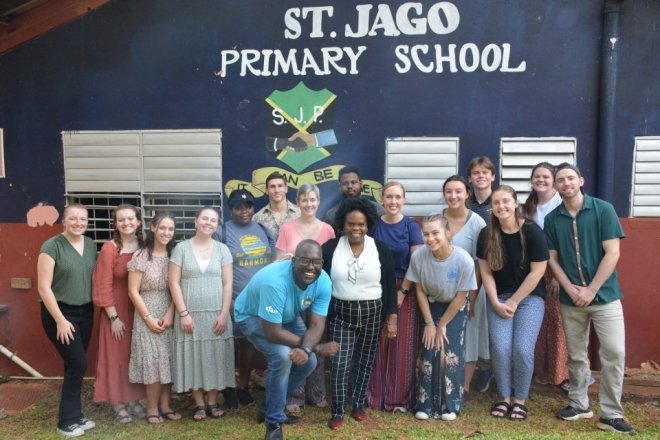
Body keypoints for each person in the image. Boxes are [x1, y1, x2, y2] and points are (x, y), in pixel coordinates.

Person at [545, 163, 636, 435]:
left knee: (614, 353)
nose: (566, 183)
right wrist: (571, 289)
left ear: (580, 180)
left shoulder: (603, 210)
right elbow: (552, 259)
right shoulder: (553, 219)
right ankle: (579, 404)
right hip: (571, 299)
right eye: (560, 180)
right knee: (575, 355)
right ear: (556, 186)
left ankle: (611, 413)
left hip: (605, 296)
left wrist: (591, 290)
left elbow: (613, 253)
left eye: (570, 178)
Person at [234, 240, 339, 440]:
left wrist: (308, 351)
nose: (310, 267)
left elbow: (317, 324)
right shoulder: (275, 281)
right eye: (305, 261)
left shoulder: (323, 281)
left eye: (316, 262)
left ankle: (267, 408)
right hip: (252, 315)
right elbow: (273, 332)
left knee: (310, 362)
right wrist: (315, 347)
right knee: (282, 357)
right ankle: (274, 422)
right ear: (293, 260)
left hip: (286, 316)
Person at [322, 197, 397, 430]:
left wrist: (392, 318)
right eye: (351, 224)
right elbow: (322, 283)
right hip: (341, 314)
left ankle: (358, 406)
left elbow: (390, 286)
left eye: (361, 224)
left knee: (365, 362)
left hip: (373, 312)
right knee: (340, 364)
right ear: (342, 225)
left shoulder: (380, 249)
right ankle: (337, 411)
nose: (356, 229)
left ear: (368, 225)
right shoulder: (331, 248)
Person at [477, 186, 549, 421]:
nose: (501, 207)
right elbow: (485, 272)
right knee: (500, 348)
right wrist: (495, 301)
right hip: (498, 297)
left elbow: (538, 272)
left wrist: (516, 300)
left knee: (522, 349)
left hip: (529, 299)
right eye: (496, 203)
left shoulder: (532, 232)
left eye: (506, 202)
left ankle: (520, 399)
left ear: (516, 203)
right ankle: (503, 397)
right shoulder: (487, 234)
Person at [407, 214, 476, 421]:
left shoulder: (463, 259)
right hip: (430, 305)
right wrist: (429, 323)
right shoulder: (419, 256)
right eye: (426, 234)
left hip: (455, 307)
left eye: (435, 233)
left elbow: (461, 296)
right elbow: (418, 291)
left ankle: (450, 405)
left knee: (450, 352)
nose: (431, 238)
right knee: (429, 350)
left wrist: (443, 324)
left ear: (447, 233)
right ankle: (425, 404)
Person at [169, 207, 235, 420]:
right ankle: (199, 404)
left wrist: (225, 313)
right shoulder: (181, 248)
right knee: (193, 356)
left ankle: (213, 401)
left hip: (217, 313)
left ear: (217, 225)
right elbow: (173, 282)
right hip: (190, 315)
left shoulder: (223, 249)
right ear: (195, 221)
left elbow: (227, 283)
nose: (208, 222)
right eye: (204, 218)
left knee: (215, 356)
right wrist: (183, 313)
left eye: (213, 220)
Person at [37, 204, 97, 437]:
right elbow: (43, 287)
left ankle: (76, 415)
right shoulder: (52, 246)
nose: (78, 222)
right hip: (59, 314)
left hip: (85, 313)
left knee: (74, 365)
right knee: (78, 364)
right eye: (73, 218)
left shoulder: (91, 245)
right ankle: (66, 422)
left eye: (83, 219)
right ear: (64, 220)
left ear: (87, 222)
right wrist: (61, 320)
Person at [276, 183, 335, 413]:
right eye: (304, 200)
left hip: (318, 296)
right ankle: (294, 395)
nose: (309, 204)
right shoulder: (288, 228)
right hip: (293, 296)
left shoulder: (328, 230)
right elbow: (279, 261)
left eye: (313, 200)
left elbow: (328, 267)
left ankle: (317, 393)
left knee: (316, 339)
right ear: (297, 202)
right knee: (295, 341)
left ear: (318, 202)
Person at [215, 189, 275, 408]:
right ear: (231, 209)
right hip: (232, 298)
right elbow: (215, 268)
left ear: (253, 208)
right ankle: (227, 387)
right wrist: (226, 299)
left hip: (258, 300)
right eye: (238, 207)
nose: (244, 211)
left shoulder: (263, 229)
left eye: (248, 206)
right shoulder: (222, 232)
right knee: (228, 344)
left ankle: (242, 386)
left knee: (249, 343)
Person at [367, 181, 423, 412]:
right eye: (389, 197)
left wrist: (402, 292)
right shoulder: (374, 227)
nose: (393, 202)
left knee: (402, 344)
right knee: (378, 343)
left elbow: (417, 263)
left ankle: (398, 400)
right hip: (377, 288)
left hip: (405, 288)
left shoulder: (411, 226)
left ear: (404, 199)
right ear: (382, 198)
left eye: (398, 197)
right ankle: (376, 397)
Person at [92, 204, 146, 423]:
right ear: (116, 224)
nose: (127, 223)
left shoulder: (144, 246)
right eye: (121, 220)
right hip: (115, 310)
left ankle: (132, 398)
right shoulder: (110, 248)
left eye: (131, 219)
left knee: (131, 356)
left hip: (138, 309)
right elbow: (102, 284)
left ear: (139, 222)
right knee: (114, 357)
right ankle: (117, 402)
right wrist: (113, 317)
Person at [127, 212, 180, 424]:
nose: (166, 232)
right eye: (163, 228)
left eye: (171, 229)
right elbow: (132, 291)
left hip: (168, 313)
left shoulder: (174, 257)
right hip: (146, 314)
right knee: (153, 362)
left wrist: (170, 313)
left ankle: (166, 406)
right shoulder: (141, 256)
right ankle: (151, 408)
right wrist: (148, 318)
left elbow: (178, 289)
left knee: (167, 360)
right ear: (153, 228)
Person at [522, 163, 569, 390]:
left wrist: (557, 276)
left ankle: (560, 374)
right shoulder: (528, 207)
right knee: (536, 321)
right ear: (532, 180)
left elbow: (565, 243)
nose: (541, 180)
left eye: (546, 176)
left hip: (556, 267)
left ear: (553, 180)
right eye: (537, 176)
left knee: (557, 321)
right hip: (533, 268)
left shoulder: (561, 205)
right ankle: (539, 371)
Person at [441, 176, 487, 396]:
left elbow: (480, 263)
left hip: (470, 288)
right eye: (449, 191)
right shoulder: (437, 219)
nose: (453, 196)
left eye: (458, 191)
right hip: (441, 289)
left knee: (469, 334)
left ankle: (464, 386)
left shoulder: (477, 222)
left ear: (467, 193)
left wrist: (473, 295)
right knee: (444, 333)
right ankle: (444, 381)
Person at [466, 156, 497, 392]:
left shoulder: (500, 202)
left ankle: (492, 367)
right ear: (470, 178)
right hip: (473, 270)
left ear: (492, 176)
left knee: (493, 323)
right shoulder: (465, 205)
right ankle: (483, 367)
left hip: (497, 270)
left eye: (485, 173)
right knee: (476, 321)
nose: (480, 177)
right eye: (476, 173)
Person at [253, 171, 301, 239]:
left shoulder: (300, 214)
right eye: (272, 187)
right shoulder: (257, 219)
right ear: (266, 190)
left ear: (286, 189)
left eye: (280, 186)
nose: (277, 190)